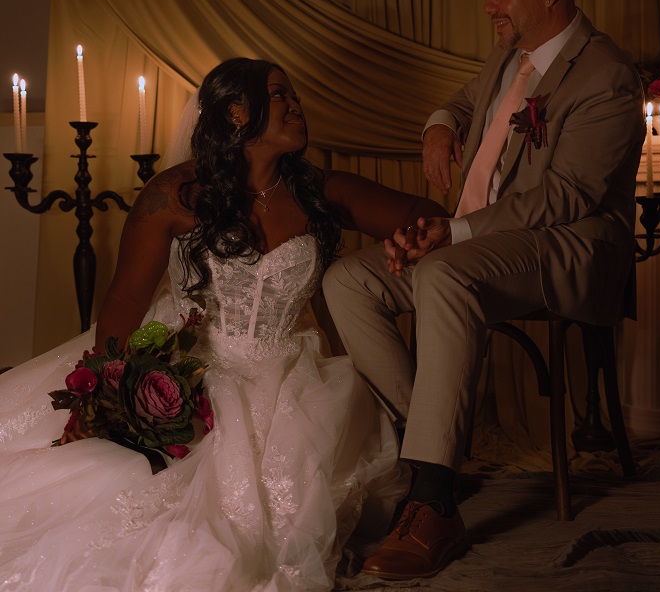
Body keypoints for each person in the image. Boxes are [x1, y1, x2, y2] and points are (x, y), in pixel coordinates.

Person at [0, 57, 448, 592]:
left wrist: (411, 239)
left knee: (286, 502)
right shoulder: (174, 193)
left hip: (291, 376)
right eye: (280, 95)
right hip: (189, 365)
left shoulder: (319, 191)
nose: (296, 106)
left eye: (295, 96)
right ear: (237, 111)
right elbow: (125, 297)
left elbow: (423, 211)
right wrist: (105, 391)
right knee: (118, 489)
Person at [322, 0, 646, 581]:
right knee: (348, 279)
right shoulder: (510, 59)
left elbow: (567, 196)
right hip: (477, 244)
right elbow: (466, 101)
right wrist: (440, 124)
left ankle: (435, 504)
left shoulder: (607, 75)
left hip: (573, 247)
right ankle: (425, 450)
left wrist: (455, 232)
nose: (489, 6)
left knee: (445, 272)